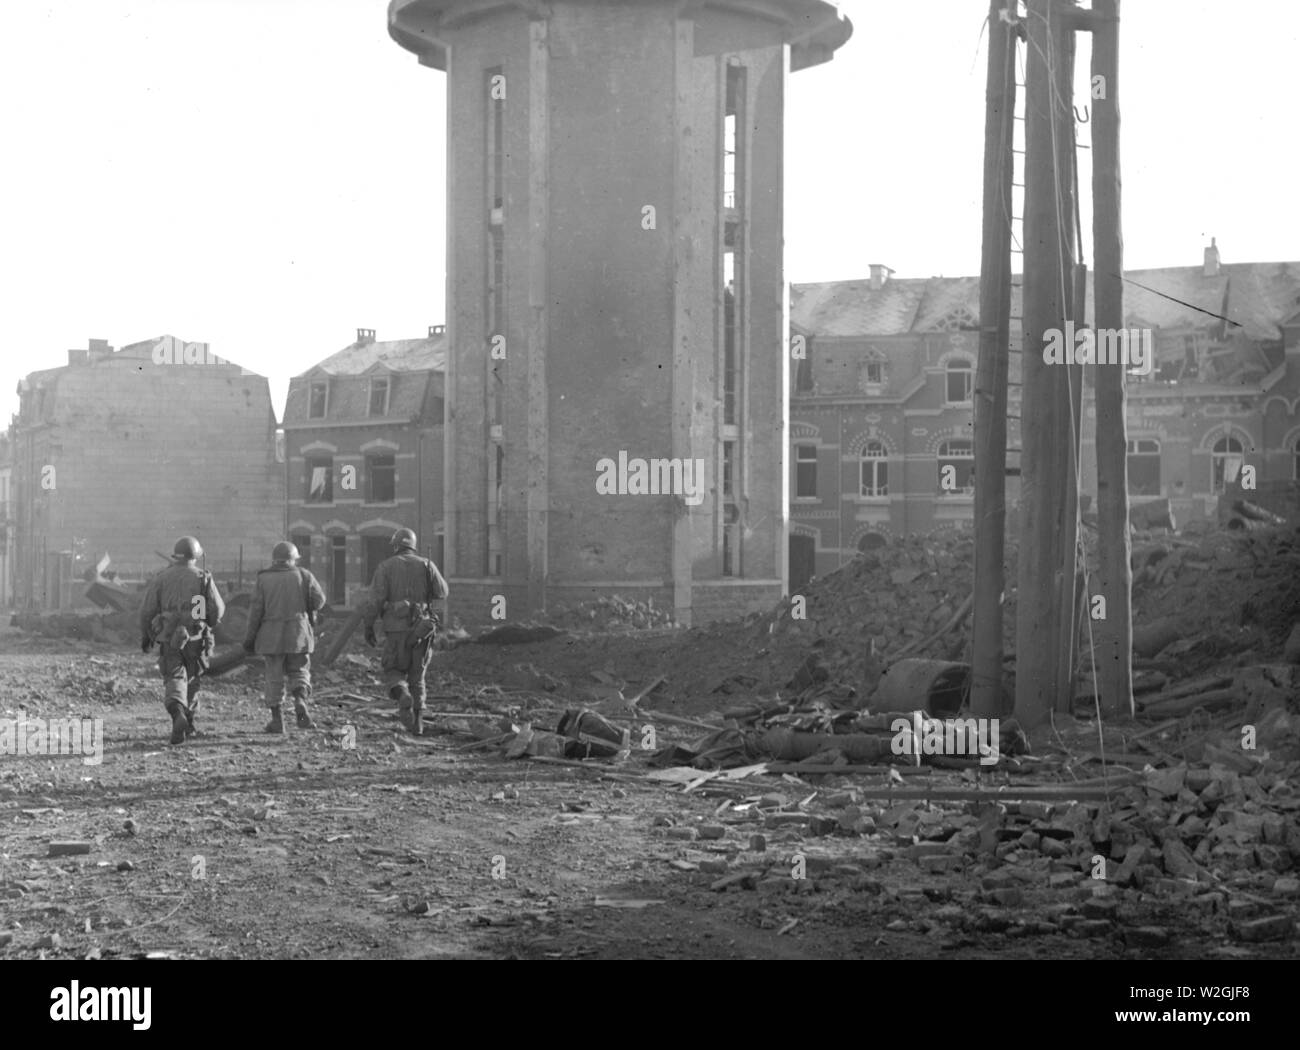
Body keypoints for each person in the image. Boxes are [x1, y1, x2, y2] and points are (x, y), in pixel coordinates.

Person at [361, 528, 448, 735]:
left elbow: (375, 600)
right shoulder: (427, 564)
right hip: (421, 629)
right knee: (418, 676)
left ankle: (402, 696)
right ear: (413, 545)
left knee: (393, 670)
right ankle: (418, 723)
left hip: (395, 629)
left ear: (396, 546)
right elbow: (442, 592)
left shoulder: (385, 567)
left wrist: (368, 625)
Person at [140, 536, 225, 745]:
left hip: (169, 638)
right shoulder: (202, 578)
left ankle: (177, 714)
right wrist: (210, 623)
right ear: (195, 556)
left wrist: (146, 635)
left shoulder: (161, 578)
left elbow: (147, 610)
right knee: (193, 678)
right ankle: (189, 721)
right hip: (196, 637)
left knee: (175, 677)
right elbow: (215, 610)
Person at [242, 540, 327, 734]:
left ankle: (277, 721)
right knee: (300, 672)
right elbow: (320, 601)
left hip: (271, 636)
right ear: (293, 559)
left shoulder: (263, 579)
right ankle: (300, 701)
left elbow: (255, 612)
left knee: (274, 677)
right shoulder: (304, 575)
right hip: (299, 633)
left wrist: (249, 639)